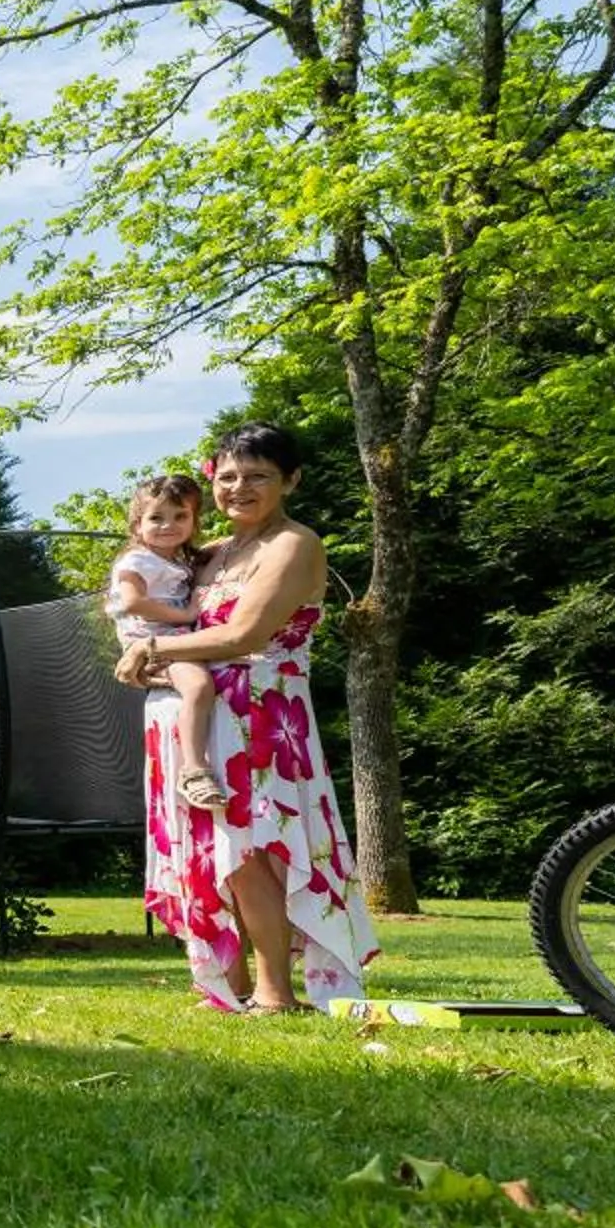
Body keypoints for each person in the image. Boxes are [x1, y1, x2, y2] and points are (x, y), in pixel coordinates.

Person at [114, 423, 379, 1015]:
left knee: (256, 850)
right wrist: (141, 653)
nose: (240, 487)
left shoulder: (294, 544)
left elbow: (244, 634)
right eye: (228, 476)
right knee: (213, 854)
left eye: (258, 475)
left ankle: (276, 992)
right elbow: (147, 616)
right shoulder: (206, 556)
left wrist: (152, 652)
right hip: (198, 720)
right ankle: (226, 980)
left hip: (263, 716)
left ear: (291, 480)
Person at [107, 474, 227, 809]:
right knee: (199, 687)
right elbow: (133, 602)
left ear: (194, 521)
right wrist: (187, 615)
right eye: (156, 518)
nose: (167, 525)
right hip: (154, 639)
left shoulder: (176, 560)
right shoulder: (136, 560)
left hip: (169, 638)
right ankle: (194, 770)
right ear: (137, 524)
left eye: (180, 516)